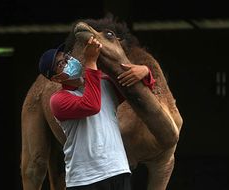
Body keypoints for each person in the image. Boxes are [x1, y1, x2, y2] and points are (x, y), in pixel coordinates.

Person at [38, 36, 155, 190]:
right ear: (55, 79)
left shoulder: (103, 83)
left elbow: (137, 93)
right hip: (85, 179)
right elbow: (92, 105)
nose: (68, 62)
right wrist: (91, 62)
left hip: (118, 170)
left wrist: (145, 72)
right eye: (61, 64)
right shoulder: (58, 101)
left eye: (67, 57)